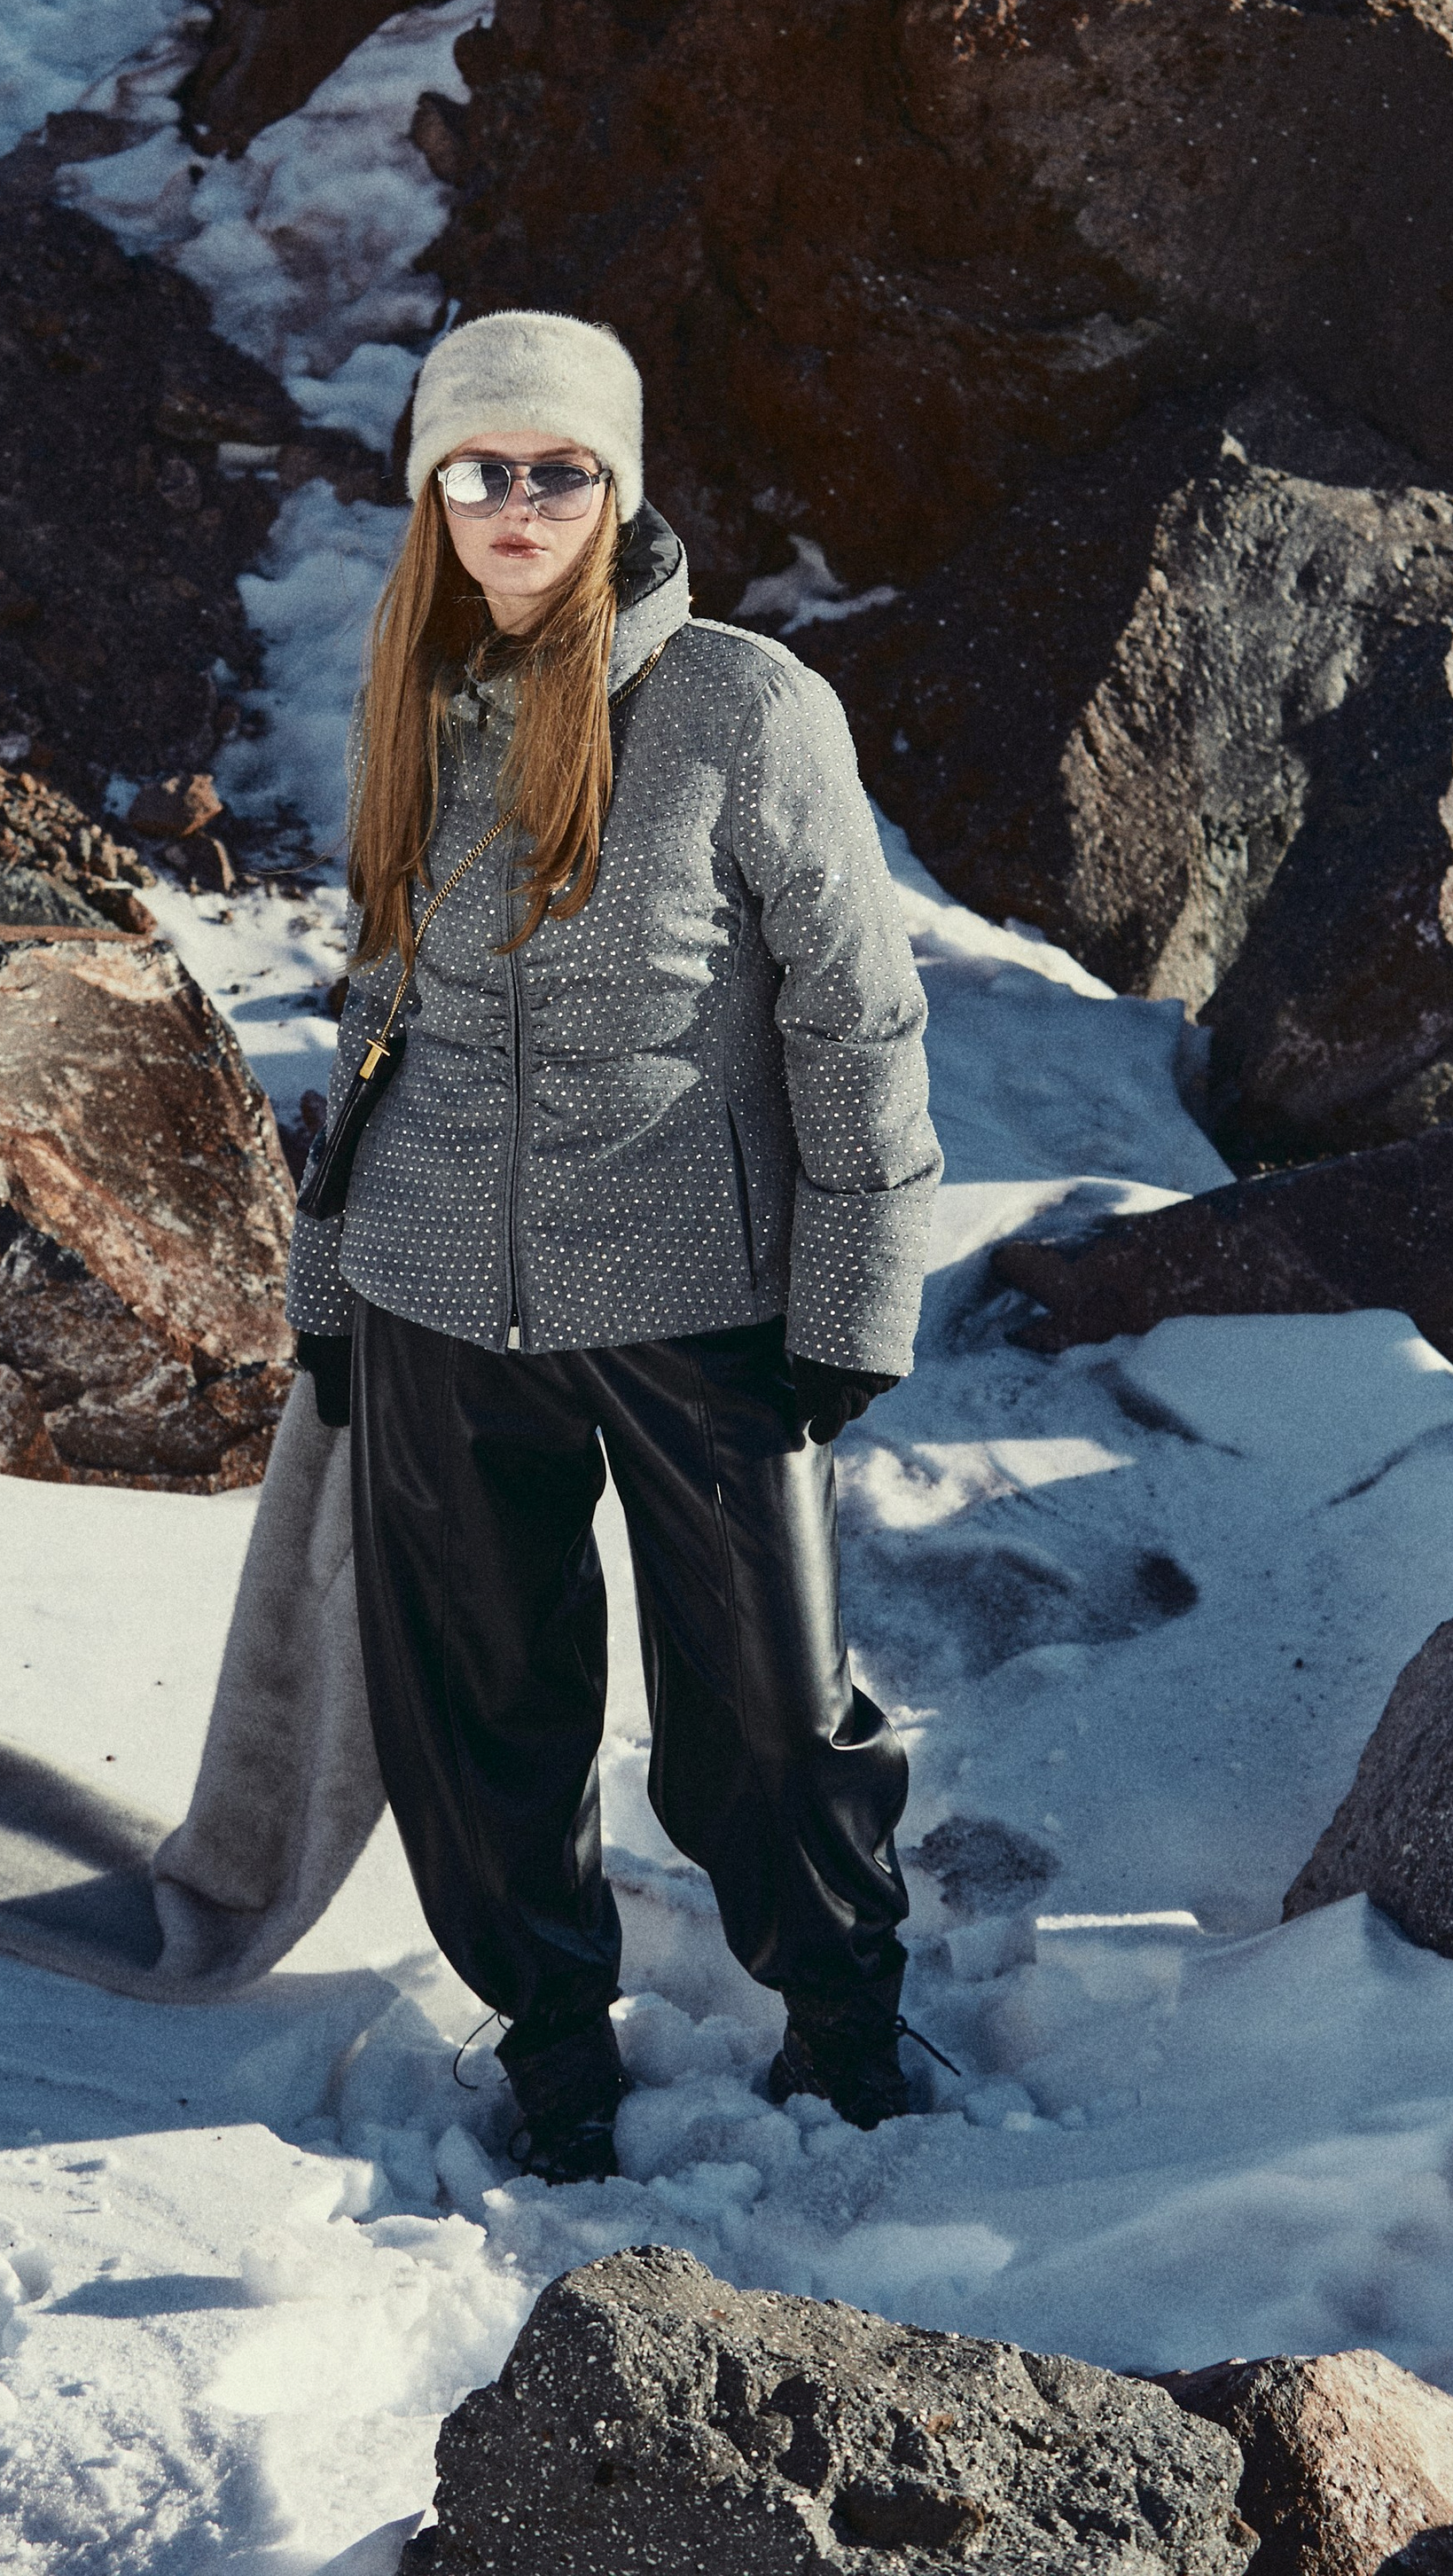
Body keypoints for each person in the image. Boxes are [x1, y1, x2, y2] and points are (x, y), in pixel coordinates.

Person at [286, 311, 941, 2183]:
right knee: (477, 1706)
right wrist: (330, 1287)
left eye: (554, 468)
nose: (512, 504)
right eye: (476, 469)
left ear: (616, 486)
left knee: (763, 1713)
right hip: (429, 1289)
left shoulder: (741, 707)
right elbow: (375, 1005)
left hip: (694, 1299)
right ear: (429, 488)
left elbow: (853, 1013)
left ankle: (844, 2031)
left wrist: (850, 1288)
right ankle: (552, 2046)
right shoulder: (405, 687)